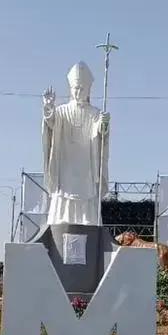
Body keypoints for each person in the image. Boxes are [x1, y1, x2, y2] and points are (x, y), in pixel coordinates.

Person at [41, 61, 110, 225]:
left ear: (88, 90)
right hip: (65, 161)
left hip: (86, 162)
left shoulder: (95, 113)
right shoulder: (62, 110)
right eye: (75, 88)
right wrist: (48, 108)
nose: (78, 91)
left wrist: (104, 123)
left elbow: (100, 132)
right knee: (63, 191)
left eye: (82, 88)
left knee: (87, 190)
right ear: (71, 89)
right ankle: (62, 218)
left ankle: (87, 219)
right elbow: (51, 123)